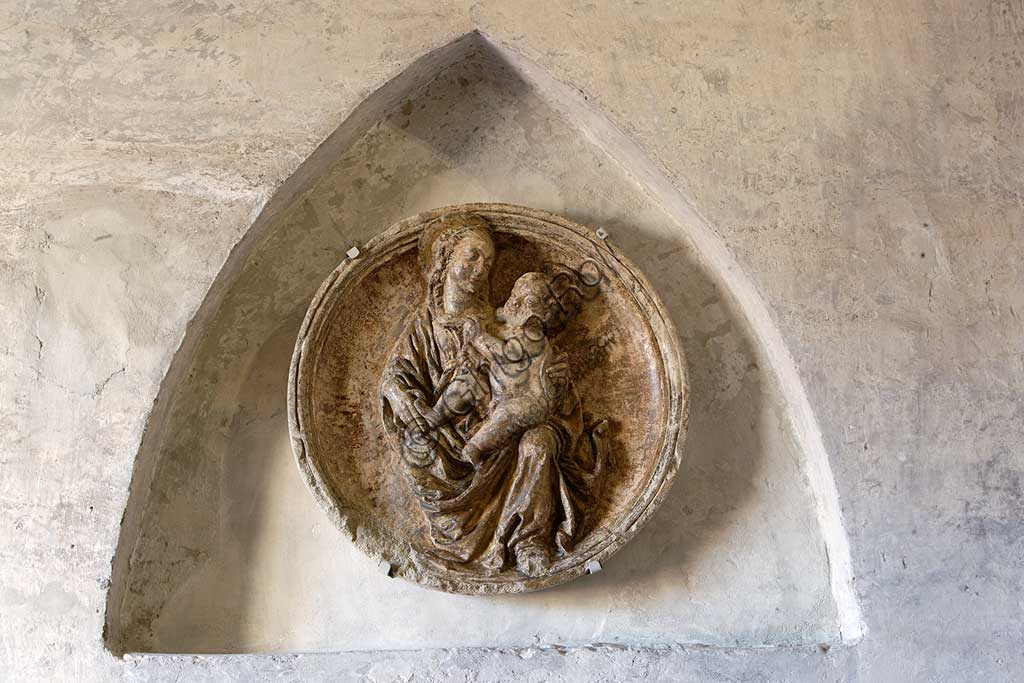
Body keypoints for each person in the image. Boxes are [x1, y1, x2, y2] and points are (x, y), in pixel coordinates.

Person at [379, 212, 604, 577]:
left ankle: (529, 540)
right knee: (429, 441)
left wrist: (557, 384)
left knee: (539, 442)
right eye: (471, 256)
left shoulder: (503, 320)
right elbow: (395, 375)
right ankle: (461, 516)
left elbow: (536, 380)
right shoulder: (423, 326)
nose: (480, 268)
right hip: (446, 434)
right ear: (445, 260)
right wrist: (403, 398)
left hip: (512, 422)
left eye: (487, 260)